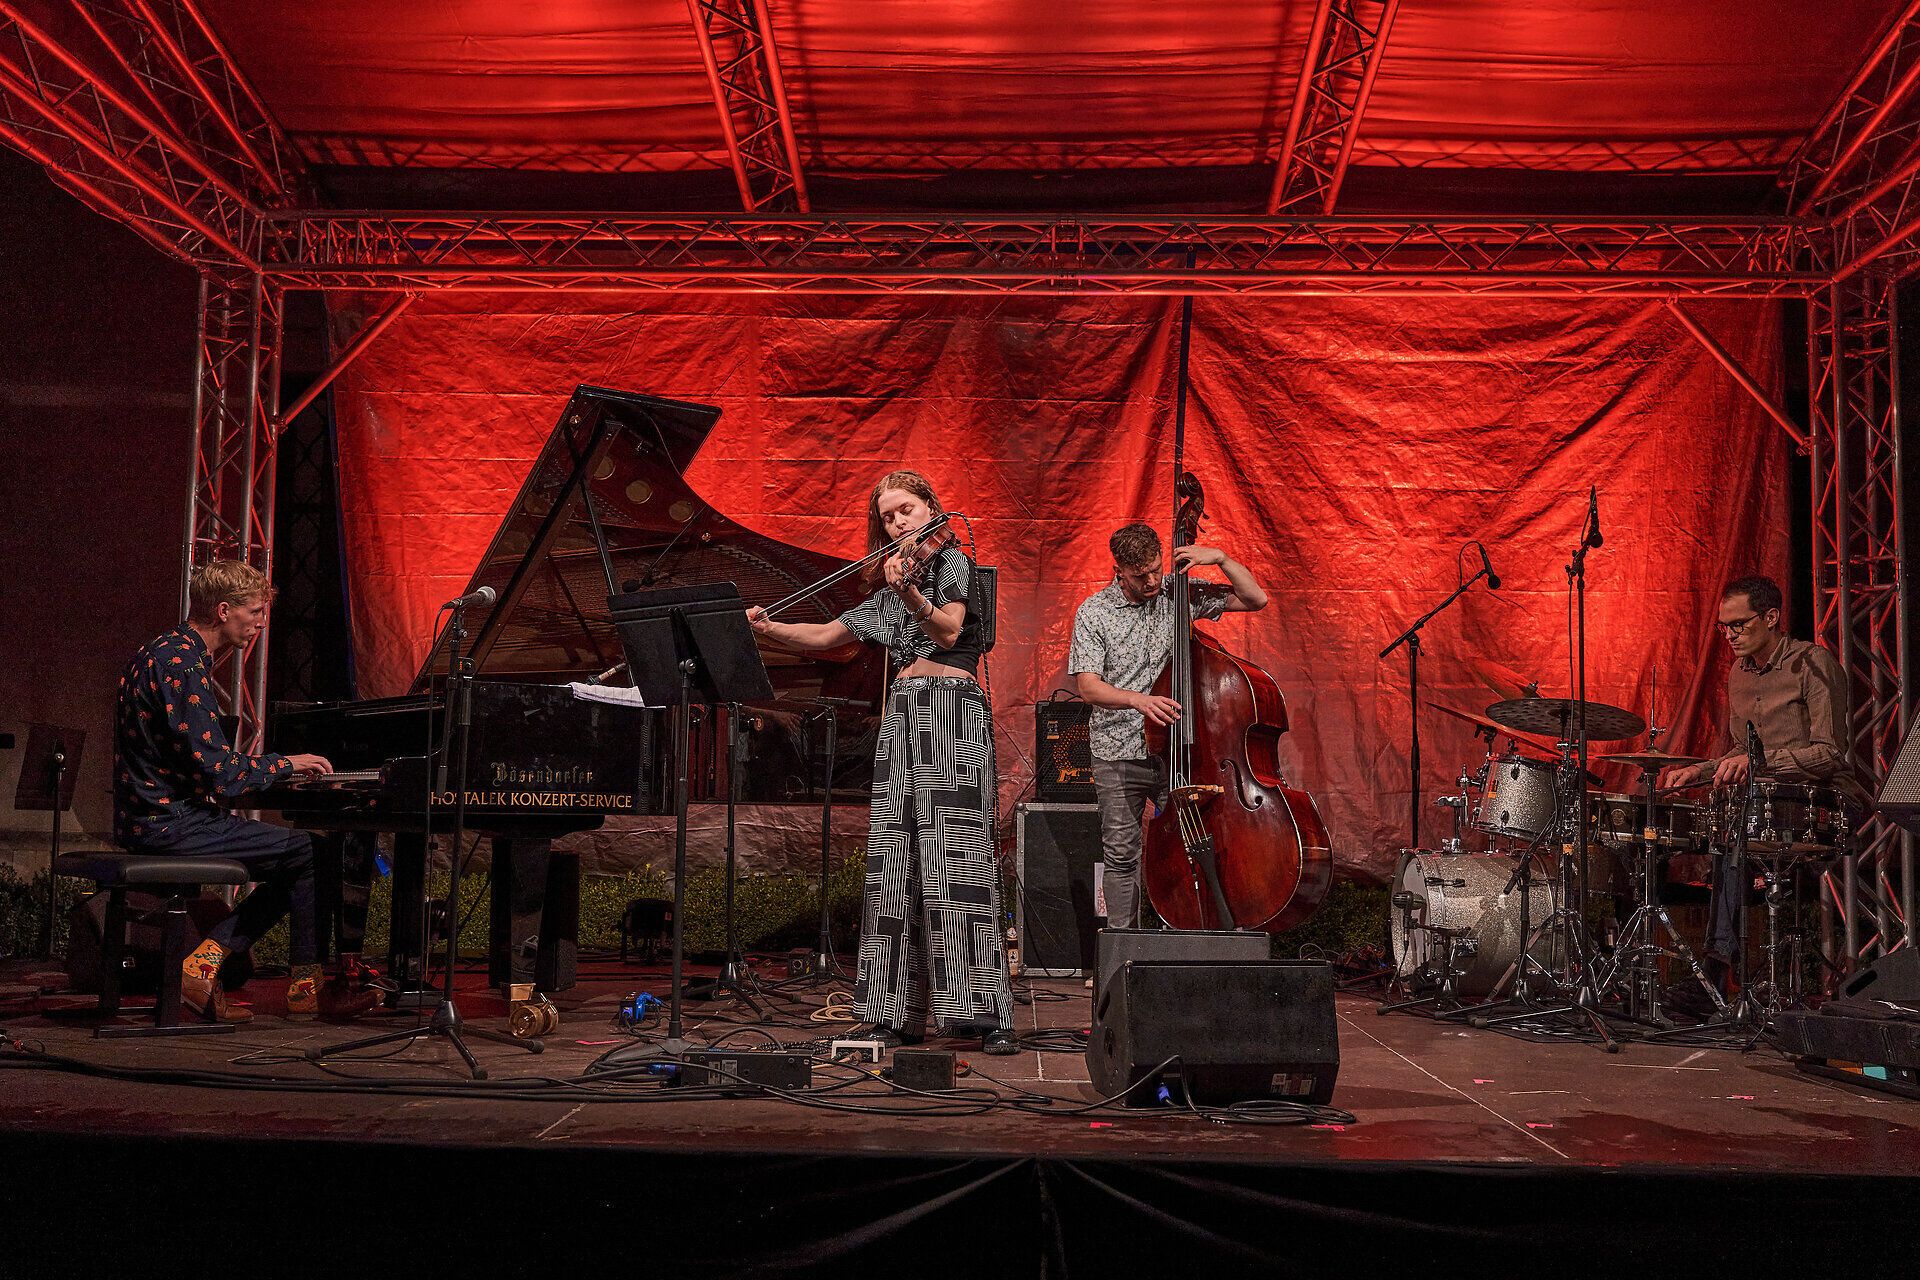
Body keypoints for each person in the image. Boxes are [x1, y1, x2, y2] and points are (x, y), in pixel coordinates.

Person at [748, 471, 1016, 1054]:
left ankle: (981, 1016)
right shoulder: (892, 585)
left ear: (931, 508)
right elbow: (827, 635)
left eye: (905, 510)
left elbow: (949, 631)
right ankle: (893, 1012)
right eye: (887, 517)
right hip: (902, 714)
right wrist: (769, 629)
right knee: (894, 865)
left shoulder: (952, 563)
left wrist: (911, 594)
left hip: (950, 709)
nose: (896, 523)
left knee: (956, 864)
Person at [114, 560, 373, 1023]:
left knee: (303, 855)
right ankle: (273, 982)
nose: (260, 623)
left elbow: (198, 764)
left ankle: (216, 964)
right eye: (254, 612)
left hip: (150, 816)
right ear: (223, 610)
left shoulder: (159, 651)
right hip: (169, 823)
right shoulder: (183, 666)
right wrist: (286, 763)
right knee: (311, 854)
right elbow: (221, 774)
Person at [1656, 574, 1867, 992]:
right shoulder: (1738, 673)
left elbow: (1830, 754)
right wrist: (1699, 771)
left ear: (1771, 617)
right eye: (1723, 627)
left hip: (1828, 799)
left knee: (1735, 834)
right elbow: (1742, 749)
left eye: (1739, 625)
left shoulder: (1812, 663)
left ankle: (1715, 971)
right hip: (1768, 804)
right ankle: (1712, 968)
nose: (1730, 636)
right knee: (1717, 830)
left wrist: (1761, 763)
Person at [1067, 522, 1268, 933]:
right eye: (1140, 576)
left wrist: (1221, 559)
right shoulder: (1094, 612)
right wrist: (1138, 700)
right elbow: (1087, 687)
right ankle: (1122, 947)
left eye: (1156, 570)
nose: (1152, 582)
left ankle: (1196, 936)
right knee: (1121, 855)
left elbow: (1255, 599)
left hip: (1178, 750)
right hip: (1117, 752)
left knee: (1194, 842)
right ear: (1119, 571)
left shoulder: (1178, 594)